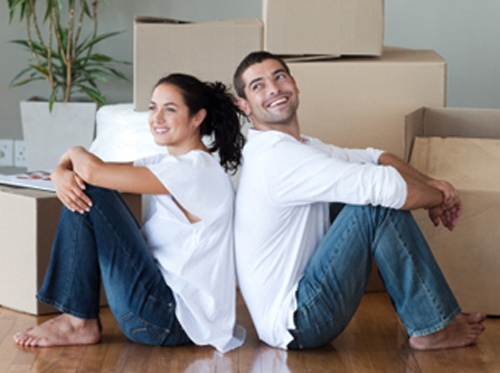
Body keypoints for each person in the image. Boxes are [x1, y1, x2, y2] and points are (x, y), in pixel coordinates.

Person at [232, 51, 485, 350]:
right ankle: (433, 326)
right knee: (375, 206)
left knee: (371, 186)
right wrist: (439, 198)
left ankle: (432, 319)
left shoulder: (298, 146)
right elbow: (386, 187)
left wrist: (430, 184)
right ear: (245, 105)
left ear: (295, 84)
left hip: (299, 304)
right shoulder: (278, 158)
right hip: (299, 321)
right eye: (258, 86)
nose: (273, 89)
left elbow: (372, 157)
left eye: (279, 77)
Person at [13, 73, 246, 353]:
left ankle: (78, 322)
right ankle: (77, 320)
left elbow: (91, 171)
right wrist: (60, 171)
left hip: (166, 320)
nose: (156, 118)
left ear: (197, 118)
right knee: (90, 184)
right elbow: (90, 168)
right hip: (160, 313)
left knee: (93, 189)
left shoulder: (195, 171)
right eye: (152, 108)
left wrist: (73, 152)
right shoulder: (168, 162)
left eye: (169, 109)